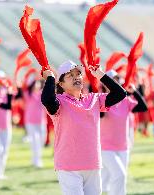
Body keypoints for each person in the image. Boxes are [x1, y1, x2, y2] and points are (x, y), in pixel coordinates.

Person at [41, 60, 126, 195]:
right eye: (70, 75)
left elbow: (120, 94)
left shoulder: (94, 99)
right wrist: (50, 78)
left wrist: (100, 74)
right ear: (61, 84)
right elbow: (47, 100)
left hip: (92, 163)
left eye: (78, 74)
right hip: (68, 166)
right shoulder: (59, 102)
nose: (76, 77)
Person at [100, 70, 148, 195]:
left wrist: (135, 92)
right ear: (106, 83)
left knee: (119, 178)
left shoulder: (125, 100)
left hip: (123, 147)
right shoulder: (101, 100)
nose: (115, 81)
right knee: (119, 175)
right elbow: (100, 115)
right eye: (112, 79)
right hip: (106, 147)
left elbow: (143, 107)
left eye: (117, 79)